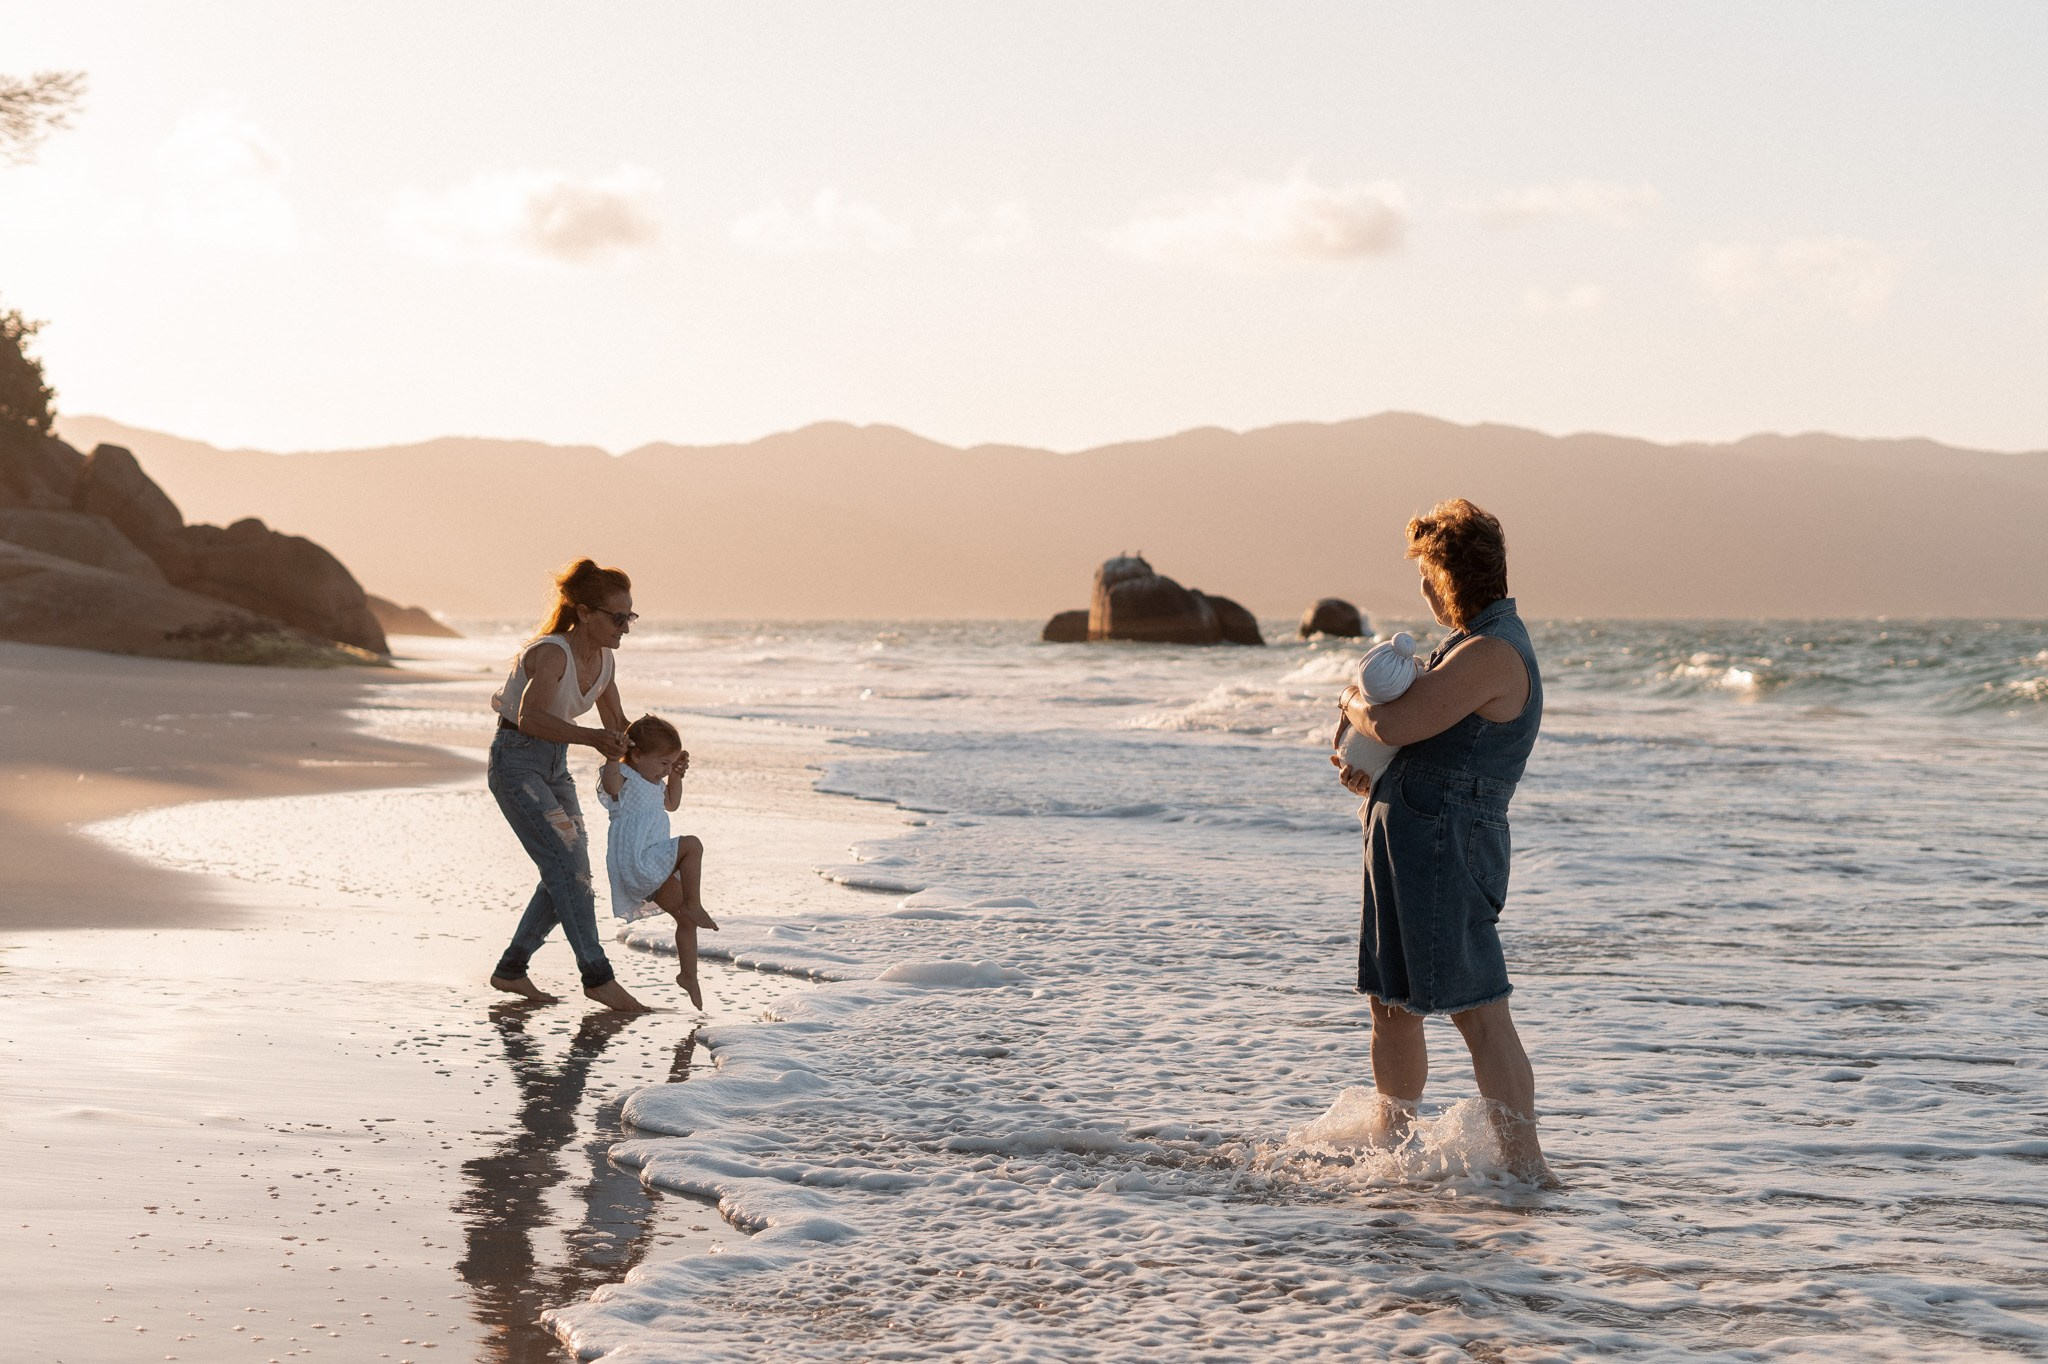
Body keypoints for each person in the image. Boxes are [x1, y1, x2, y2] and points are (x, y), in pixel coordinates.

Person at [1334, 498, 1557, 1185]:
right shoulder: (1467, 644)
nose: (1422, 586)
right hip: (1411, 840)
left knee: (1480, 1010)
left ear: (1446, 571)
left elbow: (1396, 726)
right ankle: (1391, 1146)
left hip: (1447, 846)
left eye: (1425, 570)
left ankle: (1528, 1172)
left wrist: (1351, 703)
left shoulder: (1492, 651)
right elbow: (1413, 735)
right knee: (1392, 1004)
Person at [486, 558, 646, 1011]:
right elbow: (529, 717)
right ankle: (597, 977)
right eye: (618, 618)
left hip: (554, 766)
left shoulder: (605, 661)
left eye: (629, 617)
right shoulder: (553, 652)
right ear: (585, 613)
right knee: (569, 869)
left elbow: (616, 726)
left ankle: (511, 970)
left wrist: (662, 758)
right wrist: (590, 737)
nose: (626, 628)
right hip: (517, 763)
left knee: (570, 870)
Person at [596, 714, 720, 1010]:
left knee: (685, 921)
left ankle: (688, 975)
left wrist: (675, 774)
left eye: (670, 764)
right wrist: (613, 758)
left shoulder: (654, 781)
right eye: (662, 764)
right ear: (636, 755)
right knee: (692, 845)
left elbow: (672, 804)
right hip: (639, 860)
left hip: (655, 860)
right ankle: (694, 901)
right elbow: (610, 787)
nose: (664, 771)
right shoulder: (624, 775)